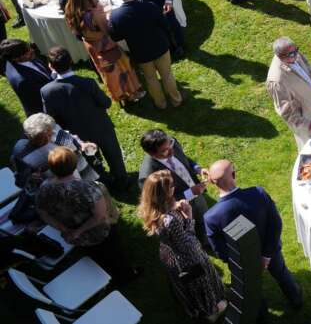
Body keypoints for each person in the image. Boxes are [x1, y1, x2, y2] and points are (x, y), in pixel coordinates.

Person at [204, 160, 304, 310]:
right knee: (282, 273)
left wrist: (242, 262)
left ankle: (262, 313)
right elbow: (275, 224)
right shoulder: (258, 193)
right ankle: (296, 299)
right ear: (234, 174)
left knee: (252, 290)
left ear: (213, 183)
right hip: (271, 251)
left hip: (243, 263)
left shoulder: (211, 217)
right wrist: (266, 256)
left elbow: (220, 251)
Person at [36, 147, 137, 282]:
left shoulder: (44, 188)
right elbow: (99, 216)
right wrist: (78, 231)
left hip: (73, 236)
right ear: (74, 164)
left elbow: (43, 212)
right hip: (98, 233)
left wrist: (64, 229)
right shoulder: (88, 188)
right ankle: (126, 276)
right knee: (114, 254)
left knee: (94, 255)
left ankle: (103, 274)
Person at [138, 170, 228, 322]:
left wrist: (175, 206)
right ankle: (211, 311)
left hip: (172, 257)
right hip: (189, 260)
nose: (175, 186)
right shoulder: (170, 220)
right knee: (201, 283)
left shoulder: (154, 211)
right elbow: (188, 244)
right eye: (172, 185)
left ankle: (195, 308)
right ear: (164, 193)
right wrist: (189, 217)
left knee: (188, 286)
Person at [40, 46, 127, 190]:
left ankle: (103, 181)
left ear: (50, 66)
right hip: (102, 127)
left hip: (78, 135)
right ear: (72, 61)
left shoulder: (47, 91)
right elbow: (106, 102)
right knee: (113, 155)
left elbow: (51, 117)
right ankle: (122, 180)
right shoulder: (88, 82)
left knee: (92, 160)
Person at [64, 0, 144, 105]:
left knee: (106, 73)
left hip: (91, 46)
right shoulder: (93, 14)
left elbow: (77, 32)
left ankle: (119, 96)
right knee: (121, 68)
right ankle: (131, 93)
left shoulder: (70, 10)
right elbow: (107, 29)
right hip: (106, 45)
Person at [108, 0, 182, 108]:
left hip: (140, 52)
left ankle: (161, 104)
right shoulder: (150, 6)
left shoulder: (115, 16)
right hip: (160, 47)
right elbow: (165, 25)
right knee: (167, 75)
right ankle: (176, 100)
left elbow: (116, 36)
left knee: (151, 79)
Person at [266, 37, 311, 148]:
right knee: (309, 147)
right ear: (280, 56)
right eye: (292, 54)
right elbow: (285, 111)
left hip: (308, 110)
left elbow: (305, 61)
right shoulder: (276, 80)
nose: (297, 55)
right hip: (301, 119)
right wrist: (307, 125)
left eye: (297, 50)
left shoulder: (292, 52)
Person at [1, 39, 52, 117]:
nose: (32, 50)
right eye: (27, 51)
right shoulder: (23, 81)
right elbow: (41, 100)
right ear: (16, 58)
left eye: (28, 47)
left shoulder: (26, 58)